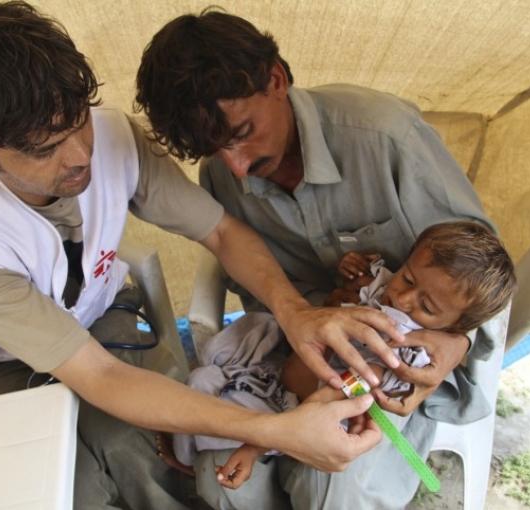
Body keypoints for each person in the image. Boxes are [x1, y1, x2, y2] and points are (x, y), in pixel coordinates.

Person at [0, 2, 412, 509]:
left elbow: (223, 233)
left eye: (77, 121)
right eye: (42, 148)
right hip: (6, 364)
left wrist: (294, 311)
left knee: (150, 451)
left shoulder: (113, 136)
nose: (80, 156)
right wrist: (274, 430)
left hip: (104, 316)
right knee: (73, 487)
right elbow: (97, 376)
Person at [135, 9, 510, 509]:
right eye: (213, 150)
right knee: (222, 480)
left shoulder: (386, 138)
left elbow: (480, 267)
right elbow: (260, 294)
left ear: (276, 79)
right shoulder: (222, 175)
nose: (237, 168)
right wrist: (316, 314)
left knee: (330, 479)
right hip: (297, 354)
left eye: (243, 131)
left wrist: (454, 343)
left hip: (392, 362)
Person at [206, 221, 516, 491]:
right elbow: (355, 285)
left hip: (311, 410)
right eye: (408, 278)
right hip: (280, 371)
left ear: (455, 326)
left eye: (428, 307)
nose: (403, 298)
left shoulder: (412, 351)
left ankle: (260, 445)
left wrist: (256, 443)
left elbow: (349, 388)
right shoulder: (383, 283)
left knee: (328, 397)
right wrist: (350, 268)